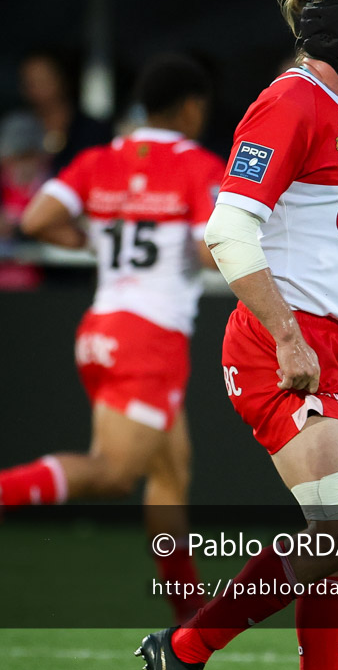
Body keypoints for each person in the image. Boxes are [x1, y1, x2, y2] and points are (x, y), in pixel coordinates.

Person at [135, 0, 338, 670]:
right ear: (336, 39)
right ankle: (185, 648)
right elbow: (227, 232)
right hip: (278, 344)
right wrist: (289, 339)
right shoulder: (288, 103)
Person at [0, 53, 226, 620]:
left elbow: (35, 221)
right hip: (150, 339)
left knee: (171, 468)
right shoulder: (197, 164)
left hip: (101, 328)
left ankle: (188, 616)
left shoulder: (101, 158)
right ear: (192, 107)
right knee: (114, 472)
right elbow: (208, 247)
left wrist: (91, 243)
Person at [19, 47, 113, 175]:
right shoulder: (17, 129)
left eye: (44, 80)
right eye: (31, 83)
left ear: (63, 79)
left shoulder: (94, 130)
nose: (38, 89)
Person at [0, 111, 50, 290]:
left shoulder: (51, 187)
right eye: (16, 157)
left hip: (41, 283)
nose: (22, 165)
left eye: (29, 156)